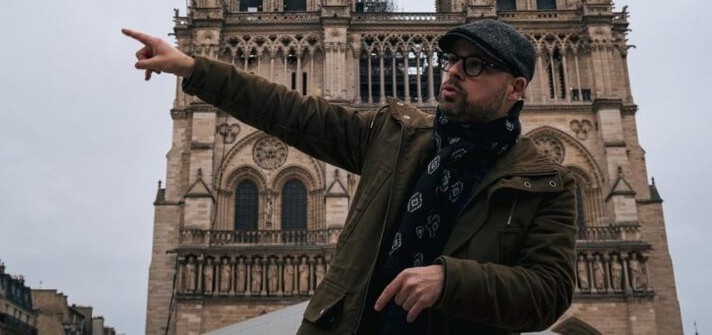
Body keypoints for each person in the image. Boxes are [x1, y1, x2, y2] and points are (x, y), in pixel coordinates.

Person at [122, 20, 577, 335]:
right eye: (453, 60)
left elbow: (550, 292)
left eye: (475, 65)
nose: (455, 71)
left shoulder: (546, 184)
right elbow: (292, 113)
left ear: (516, 88)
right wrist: (194, 69)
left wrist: (450, 280)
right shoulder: (396, 139)